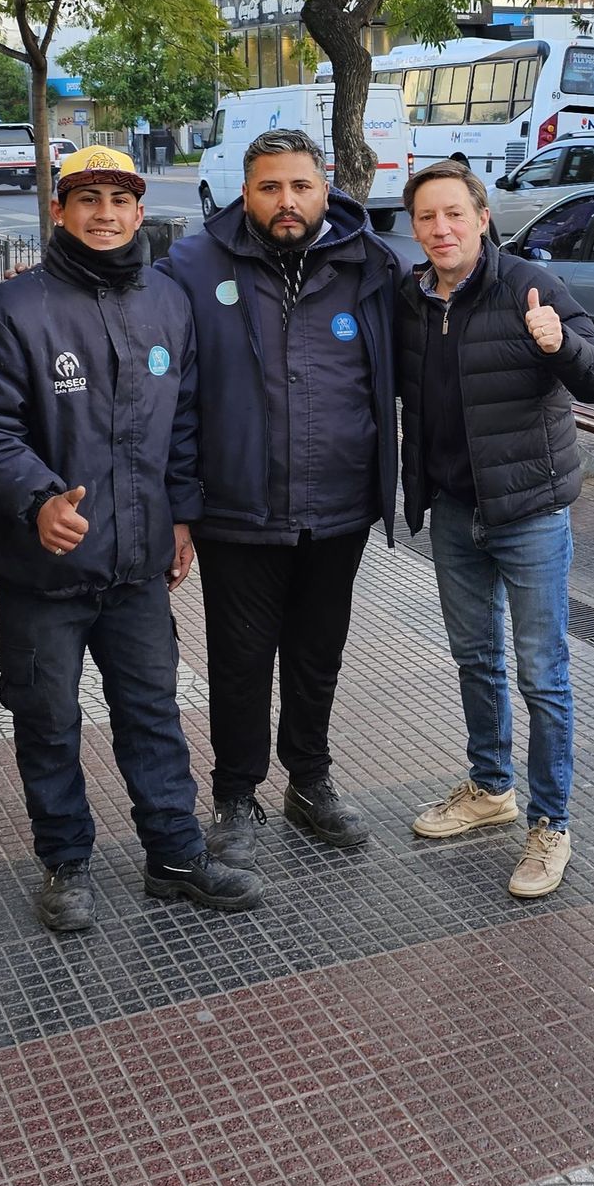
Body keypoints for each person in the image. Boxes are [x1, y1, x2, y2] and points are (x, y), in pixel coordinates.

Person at [0, 147, 262, 926]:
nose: (105, 213)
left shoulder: (167, 302)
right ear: (58, 212)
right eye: (86, 199)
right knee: (48, 720)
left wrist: (181, 516)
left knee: (153, 713)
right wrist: (37, 501)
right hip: (44, 569)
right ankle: (64, 863)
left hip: (136, 565)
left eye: (119, 199)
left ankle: (175, 855)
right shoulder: (13, 309)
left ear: (138, 211)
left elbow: (182, 423)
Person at [159, 128, 398, 875]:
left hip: (338, 506)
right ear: (245, 191)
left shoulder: (371, 263)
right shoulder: (195, 265)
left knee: (317, 654)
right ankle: (235, 796)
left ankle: (310, 779)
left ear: (324, 186)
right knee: (238, 662)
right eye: (269, 188)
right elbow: (174, 393)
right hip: (239, 509)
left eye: (299, 186)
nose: (286, 202)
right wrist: (180, 504)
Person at [396, 160, 594, 898]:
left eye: (455, 214)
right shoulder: (412, 300)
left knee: (542, 675)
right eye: (428, 217)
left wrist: (558, 343)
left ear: (483, 217)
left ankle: (550, 824)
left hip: (529, 513)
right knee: (475, 660)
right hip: (456, 513)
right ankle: (490, 790)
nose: (442, 229)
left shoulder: (530, 285)